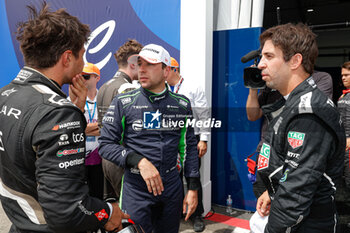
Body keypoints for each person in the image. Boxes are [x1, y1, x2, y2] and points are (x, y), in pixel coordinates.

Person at [0, 3, 128, 232]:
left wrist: (75, 110)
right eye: (82, 55)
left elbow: (32, 153)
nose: (83, 63)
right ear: (67, 58)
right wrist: (108, 212)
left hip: (19, 224)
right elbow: (66, 211)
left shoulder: (6, 94)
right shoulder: (56, 112)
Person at [98, 44, 200, 233]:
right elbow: (105, 145)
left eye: (150, 64)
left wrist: (192, 188)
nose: (141, 69)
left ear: (166, 70)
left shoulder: (181, 104)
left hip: (171, 187)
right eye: (139, 63)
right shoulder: (124, 102)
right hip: (136, 189)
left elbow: (189, 147)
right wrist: (139, 161)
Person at [255, 23, 345, 233]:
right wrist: (271, 191)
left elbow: (295, 195)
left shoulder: (309, 112)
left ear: (295, 60)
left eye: (269, 56)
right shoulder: (294, 103)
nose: (260, 64)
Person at [246, 70, 333, 199]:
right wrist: (253, 87)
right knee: (263, 207)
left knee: (292, 207)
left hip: (297, 155)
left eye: (269, 56)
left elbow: (314, 111)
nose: (262, 65)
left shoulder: (321, 78)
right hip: (266, 153)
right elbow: (252, 115)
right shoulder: (269, 85)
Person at [166, 57, 209, 232]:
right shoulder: (161, 90)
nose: (162, 73)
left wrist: (204, 139)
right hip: (169, 140)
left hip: (192, 139)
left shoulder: (193, 87)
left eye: (165, 69)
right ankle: (176, 211)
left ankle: (197, 214)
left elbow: (204, 114)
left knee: (193, 177)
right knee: (172, 178)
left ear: (174, 69)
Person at [97, 39, 143, 201]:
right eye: (141, 63)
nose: (143, 68)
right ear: (132, 64)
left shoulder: (104, 85)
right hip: (122, 159)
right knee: (133, 212)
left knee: (119, 210)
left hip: (107, 159)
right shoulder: (127, 88)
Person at [69, 63, 104, 200]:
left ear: (97, 78)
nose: (82, 80)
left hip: (100, 156)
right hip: (79, 157)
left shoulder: (104, 98)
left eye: (86, 76)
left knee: (99, 196)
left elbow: (108, 129)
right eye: (79, 77)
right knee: (81, 198)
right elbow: (74, 128)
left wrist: (84, 129)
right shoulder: (71, 100)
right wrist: (96, 128)